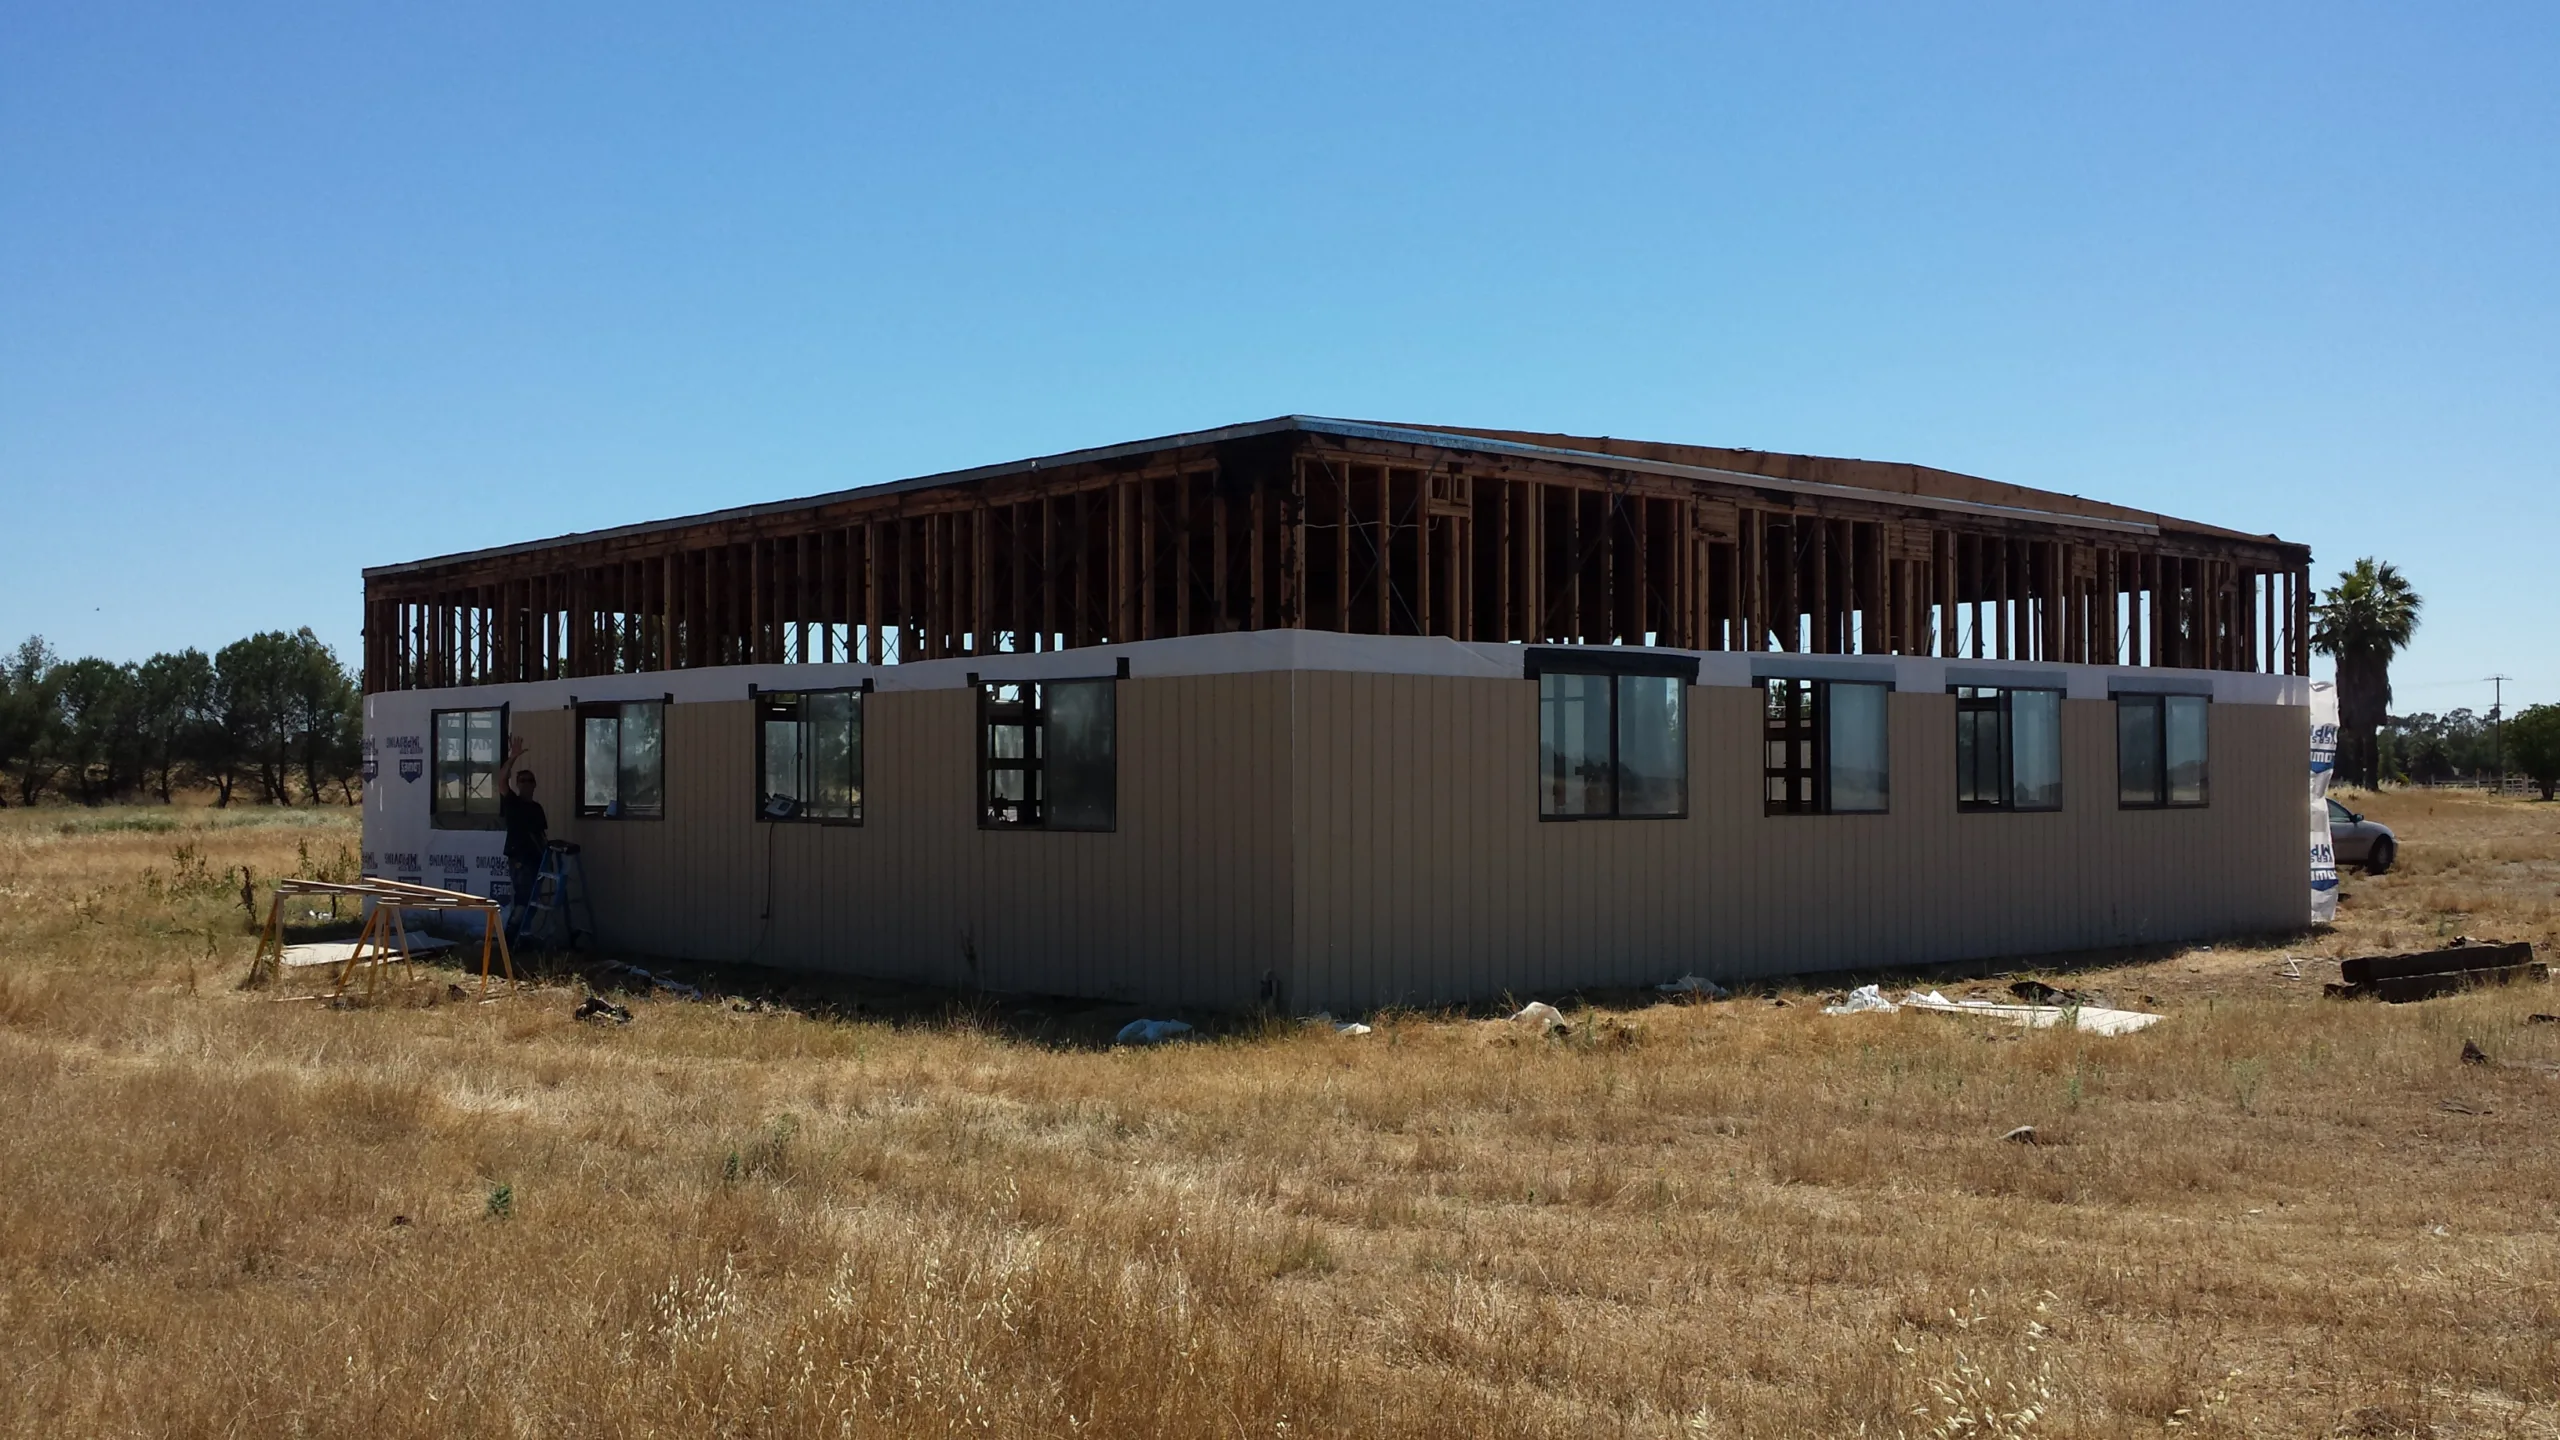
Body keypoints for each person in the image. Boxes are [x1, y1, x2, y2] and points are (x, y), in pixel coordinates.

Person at [496, 735, 546, 930]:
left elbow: (541, 834)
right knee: (523, 899)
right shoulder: (513, 802)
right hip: (519, 859)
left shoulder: (536, 808)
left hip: (535, 859)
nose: (526, 783)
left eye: (529, 780)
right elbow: (501, 780)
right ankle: (511, 938)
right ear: (517, 784)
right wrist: (513, 756)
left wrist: (546, 857)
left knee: (531, 901)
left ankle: (522, 937)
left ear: (534, 784)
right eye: (522, 780)